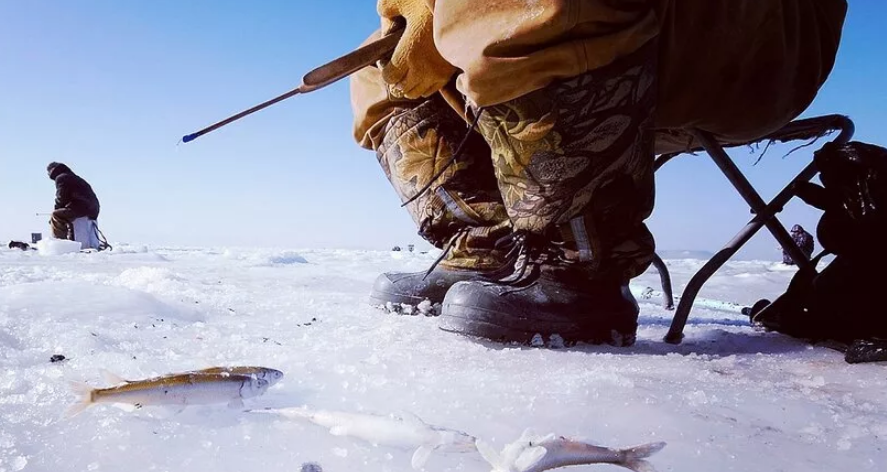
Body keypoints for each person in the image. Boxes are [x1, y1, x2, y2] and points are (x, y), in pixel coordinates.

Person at [355, 0, 847, 345]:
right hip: (631, 37)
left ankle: (580, 262)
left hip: (754, 39)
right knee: (379, 58)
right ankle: (488, 246)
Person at [46, 162, 102, 250]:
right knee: (65, 215)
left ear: (52, 171)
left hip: (82, 208)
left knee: (56, 215)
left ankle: (61, 246)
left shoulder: (62, 178)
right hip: (92, 209)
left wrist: (55, 211)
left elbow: (61, 197)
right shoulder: (73, 177)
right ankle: (72, 240)